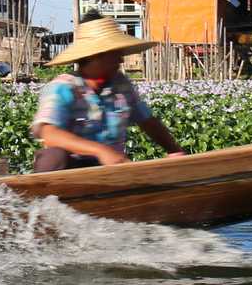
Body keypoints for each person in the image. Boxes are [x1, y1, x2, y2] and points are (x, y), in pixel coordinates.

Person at [31, 17, 186, 172]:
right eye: (115, 54)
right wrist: (100, 150)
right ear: (95, 56)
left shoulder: (121, 84)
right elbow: (50, 134)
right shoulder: (63, 87)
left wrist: (174, 150)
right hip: (71, 171)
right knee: (53, 157)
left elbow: (148, 122)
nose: (121, 60)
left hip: (112, 170)